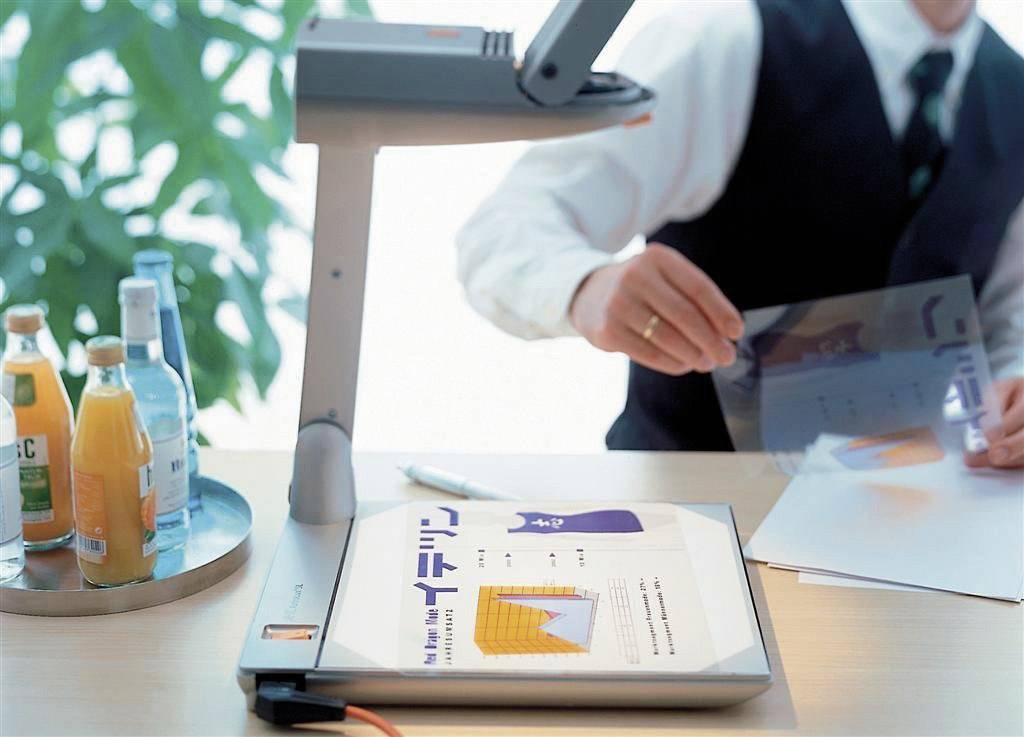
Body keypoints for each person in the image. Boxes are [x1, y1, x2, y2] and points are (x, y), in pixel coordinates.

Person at [457, 0, 1024, 467]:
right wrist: (586, 287)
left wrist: (1015, 390)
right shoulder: (727, 41)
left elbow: (1005, 319)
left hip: (913, 538)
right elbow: (508, 225)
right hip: (695, 510)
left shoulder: (1014, 90)